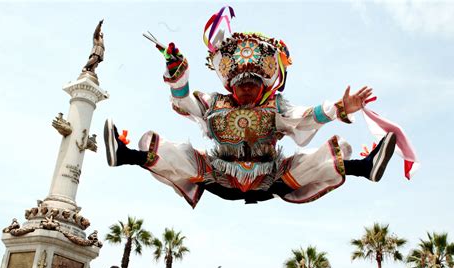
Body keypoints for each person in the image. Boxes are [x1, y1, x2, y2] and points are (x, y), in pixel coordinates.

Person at [104, 7, 413, 208]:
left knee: (307, 160)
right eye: (240, 82)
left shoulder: (275, 106)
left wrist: (339, 107)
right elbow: (184, 102)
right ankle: (125, 155)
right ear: (230, 84)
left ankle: (365, 167)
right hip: (219, 176)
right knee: (180, 153)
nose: (247, 87)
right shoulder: (214, 103)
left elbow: (306, 117)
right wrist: (177, 73)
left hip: (270, 178)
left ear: (265, 84)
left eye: (253, 83)